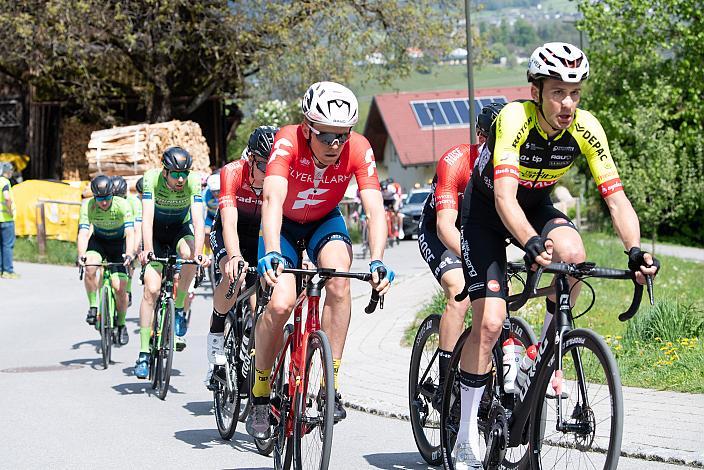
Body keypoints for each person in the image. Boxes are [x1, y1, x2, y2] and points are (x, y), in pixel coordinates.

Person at [452, 42, 660, 469]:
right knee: (490, 322)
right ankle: (464, 435)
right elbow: (506, 199)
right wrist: (529, 242)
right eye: (557, 93)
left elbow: (617, 201)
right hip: (487, 213)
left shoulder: (586, 128)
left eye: (575, 93)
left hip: (536, 206)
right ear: (536, 92)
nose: (567, 104)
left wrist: (636, 251)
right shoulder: (514, 119)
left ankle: (536, 359)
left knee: (574, 255)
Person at [246, 81, 395, 439]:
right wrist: (269, 251)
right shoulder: (287, 141)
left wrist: (376, 259)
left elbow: (374, 209)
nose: (334, 145)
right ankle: (261, 392)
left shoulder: (358, 148)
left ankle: (330, 385)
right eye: (325, 136)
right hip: (283, 225)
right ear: (307, 128)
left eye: (341, 136)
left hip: (323, 222)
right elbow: (271, 200)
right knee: (281, 303)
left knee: (340, 281)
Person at [417, 102, 504, 410]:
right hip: (442, 232)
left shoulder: (510, 167)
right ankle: (444, 384)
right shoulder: (456, 161)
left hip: (479, 234)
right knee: (459, 293)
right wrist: (473, 258)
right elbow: (444, 227)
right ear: (480, 137)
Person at [205, 126, 278, 378]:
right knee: (232, 277)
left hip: (257, 238)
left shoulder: (278, 178)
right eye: (262, 167)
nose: (267, 174)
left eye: (273, 167)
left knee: (262, 297)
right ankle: (216, 331)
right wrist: (234, 256)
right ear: (250, 158)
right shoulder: (233, 172)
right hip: (229, 233)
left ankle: (251, 337)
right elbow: (228, 221)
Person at [134, 147, 208, 379]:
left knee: (189, 256)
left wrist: (198, 253)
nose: (180, 178)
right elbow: (146, 220)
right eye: (176, 173)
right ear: (165, 172)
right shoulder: (151, 179)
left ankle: (178, 309)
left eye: (184, 173)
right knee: (151, 290)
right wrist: (147, 250)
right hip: (155, 233)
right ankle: (144, 353)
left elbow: (197, 221)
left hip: (178, 231)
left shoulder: (193, 181)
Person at [76, 175, 135, 344]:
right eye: (99, 199)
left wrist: (130, 253)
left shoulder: (122, 204)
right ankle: (94, 306)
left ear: (112, 195)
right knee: (90, 267)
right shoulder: (88, 206)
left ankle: (121, 324)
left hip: (119, 245)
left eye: (107, 198)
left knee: (120, 287)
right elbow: (84, 233)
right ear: (94, 196)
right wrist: (81, 254)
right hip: (99, 242)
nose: (103, 202)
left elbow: (130, 233)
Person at [111, 176, 142, 307]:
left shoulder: (134, 202)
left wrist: (134, 250)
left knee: (131, 259)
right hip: (114, 234)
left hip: (130, 233)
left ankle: (128, 289)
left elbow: (137, 229)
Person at [0, 162, 17, 279]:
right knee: (7, 245)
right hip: (6, 219)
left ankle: (1, 269)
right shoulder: (5, 182)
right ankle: (8, 271)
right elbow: (7, 197)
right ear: (8, 171)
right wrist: (10, 211)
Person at [203, 173, 220, 251]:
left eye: (218, 191)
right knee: (206, 233)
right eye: (213, 191)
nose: (216, 193)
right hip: (210, 217)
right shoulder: (206, 193)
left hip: (221, 217)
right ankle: (208, 250)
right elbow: (202, 206)